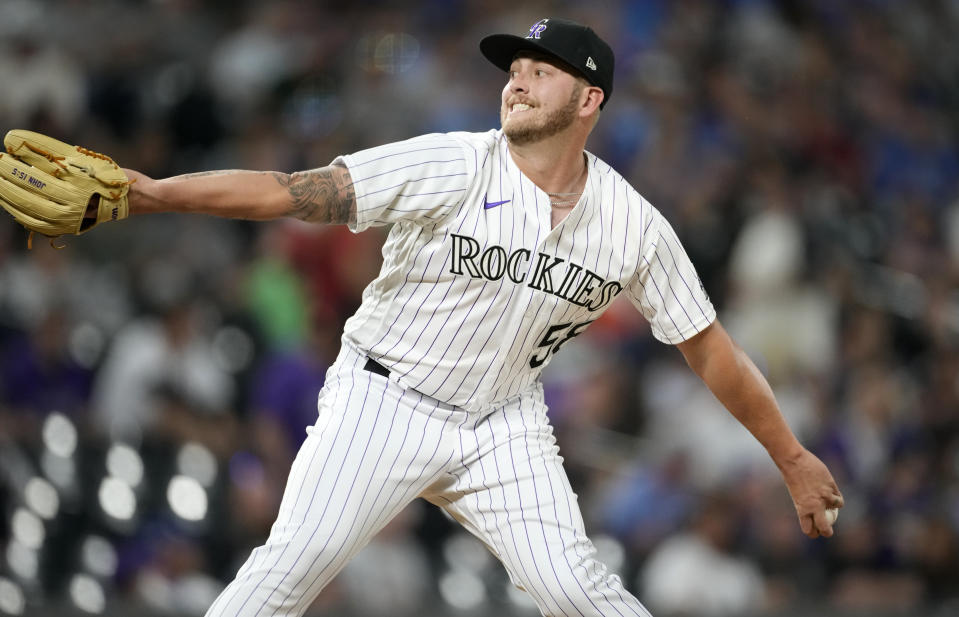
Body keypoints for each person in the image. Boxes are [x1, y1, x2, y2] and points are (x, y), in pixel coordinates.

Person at [19, 17, 846, 617]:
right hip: (385, 399)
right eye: (512, 66)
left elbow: (711, 351)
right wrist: (156, 191)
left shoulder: (633, 223)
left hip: (502, 424)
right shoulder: (451, 161)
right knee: (286, 573)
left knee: (579, 590)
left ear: (589, 97)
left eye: (540, 70)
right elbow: (290, 188)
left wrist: (792, 455)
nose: (516, 79)